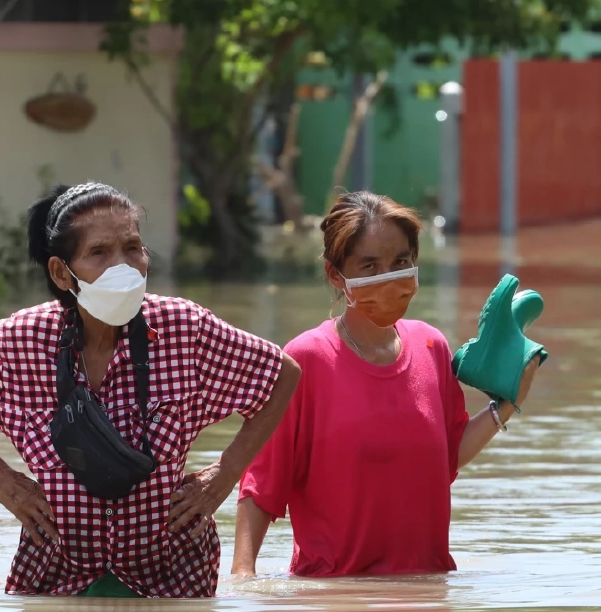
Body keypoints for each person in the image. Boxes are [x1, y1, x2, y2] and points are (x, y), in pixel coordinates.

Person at [0, 182, 300, 597]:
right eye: (99, 253)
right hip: (54, 576)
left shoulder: (184, 329)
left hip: (171, 578)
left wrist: (226, 472)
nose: (124, 267)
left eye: (133, 248)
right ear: (62, 273)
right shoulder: (20, 340)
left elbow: (282, 374)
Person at [231, 190, 541, 577]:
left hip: (428, 598)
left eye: (400, 261)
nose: (388, 277)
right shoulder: (305, 360)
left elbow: (447, 455)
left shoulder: (431, 346)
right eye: (369, 266)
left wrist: (508, 402)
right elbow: (261, 488)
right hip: (334, 605)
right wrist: (244, 587)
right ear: (334, 274)